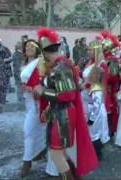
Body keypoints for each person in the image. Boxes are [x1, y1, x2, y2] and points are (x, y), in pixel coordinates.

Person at [34, 27, 99, 179]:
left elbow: (67, 95)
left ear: (45, 52)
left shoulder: (61, 67)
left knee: (56, 152)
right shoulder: (60, 65)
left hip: (63, 113)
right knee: (60, 152)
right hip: (59, 111)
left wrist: (43, 91)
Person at [19, 39, 49, 177]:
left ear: (38, 49)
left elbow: (43, 85)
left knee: (28, 130)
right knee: (38, 129)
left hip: (37, 103)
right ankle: (41, 150)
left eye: (32, 46)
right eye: (27, 46)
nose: (29, 48)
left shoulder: (39, 62)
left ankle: (27, 161)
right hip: (29, 102)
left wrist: (30, 89)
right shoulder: (26, 64)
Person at [86, 65, 110, 160]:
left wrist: (91, 119)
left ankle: (97, 155)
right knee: (97, 133)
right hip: (99, 112)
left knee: (94, 134)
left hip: (97, 114)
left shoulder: (96, 89)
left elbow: (96, 105)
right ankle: (97, 154)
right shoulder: (98, 86)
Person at [100, 31, 120, 136]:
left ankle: (109, 132)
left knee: (108, 111)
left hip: (107, 89)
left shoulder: (112, 60)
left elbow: (114, 77)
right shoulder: (100, 58)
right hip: (101, 88)